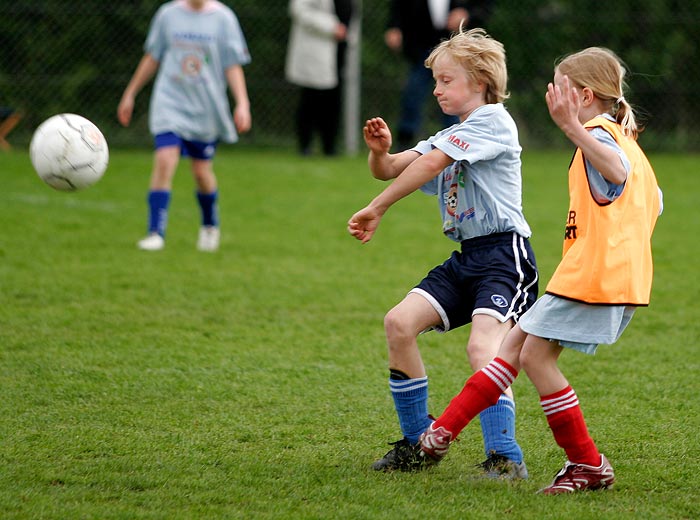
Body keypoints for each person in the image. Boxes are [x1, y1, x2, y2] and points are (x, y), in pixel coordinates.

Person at [419, 47, 663, 495]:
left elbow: (617, 171)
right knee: (511, 349)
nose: (553, 95)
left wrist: (571, 127)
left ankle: (587, 464)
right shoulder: (623, 138)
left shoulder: (600, 138)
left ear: (584, 95)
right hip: (598, 273)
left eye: (560, 87)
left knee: (531, 356)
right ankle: (438, 437)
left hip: (596, 275)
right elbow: (654, 203)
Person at [348, 28, 538, 477]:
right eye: (435, 81)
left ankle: (505, 457)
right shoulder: (452, 134)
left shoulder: (492, 121)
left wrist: (378, 208)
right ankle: (416, 444)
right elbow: (393, 168)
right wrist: (379, 154)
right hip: (468, 256)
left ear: (480, 79)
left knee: (482, 347)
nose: (436, 89)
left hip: (504, 257)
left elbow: (432, 163)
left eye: (446, 80)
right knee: (398, 323)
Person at [117, 0, 252, 252]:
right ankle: (155, 232)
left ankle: (210, 224)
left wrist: (242, 103)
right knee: (166, 158)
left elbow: (233, 65)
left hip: (206, 109)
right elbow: (152, 57)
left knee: (201, 173)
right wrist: (130, 93)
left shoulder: (224, 19)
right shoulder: (168, 14)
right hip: (170, 102)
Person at [384, 0, 493, 151]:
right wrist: (394, 26)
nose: (437, 90)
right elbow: (398, 7)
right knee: (413, 94)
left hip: (456, 47)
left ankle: (456, 140)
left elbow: (484, 6)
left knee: (456, 96)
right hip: (420, 46)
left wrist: (467, 14)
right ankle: (405, 141)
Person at [285, 0, 354, 156]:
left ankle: (330, 146)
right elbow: (299, 10)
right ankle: (305, 145)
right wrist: (331, 27)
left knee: (333, 99)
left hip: (339, 48)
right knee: (312, 98)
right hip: (317, 46)